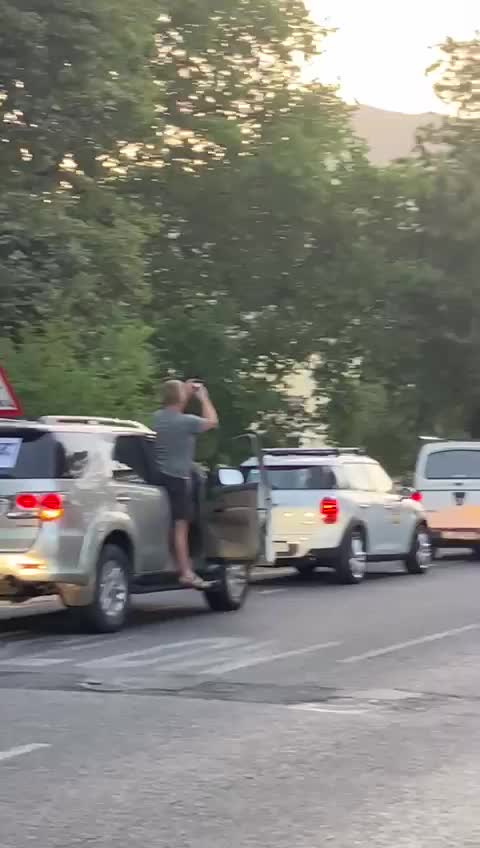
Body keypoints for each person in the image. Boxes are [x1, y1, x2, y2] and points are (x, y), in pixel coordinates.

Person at [152, 379, 219, 589]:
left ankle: (175, 564)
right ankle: (186, 572)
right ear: (179, 397)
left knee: (168, 524)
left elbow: (175, 407)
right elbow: (212, 422)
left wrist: (185, 393)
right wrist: (203, 398)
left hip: (160, 476)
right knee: (180, 527)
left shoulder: (157, 418)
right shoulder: (186, 422)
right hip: (179, 478)